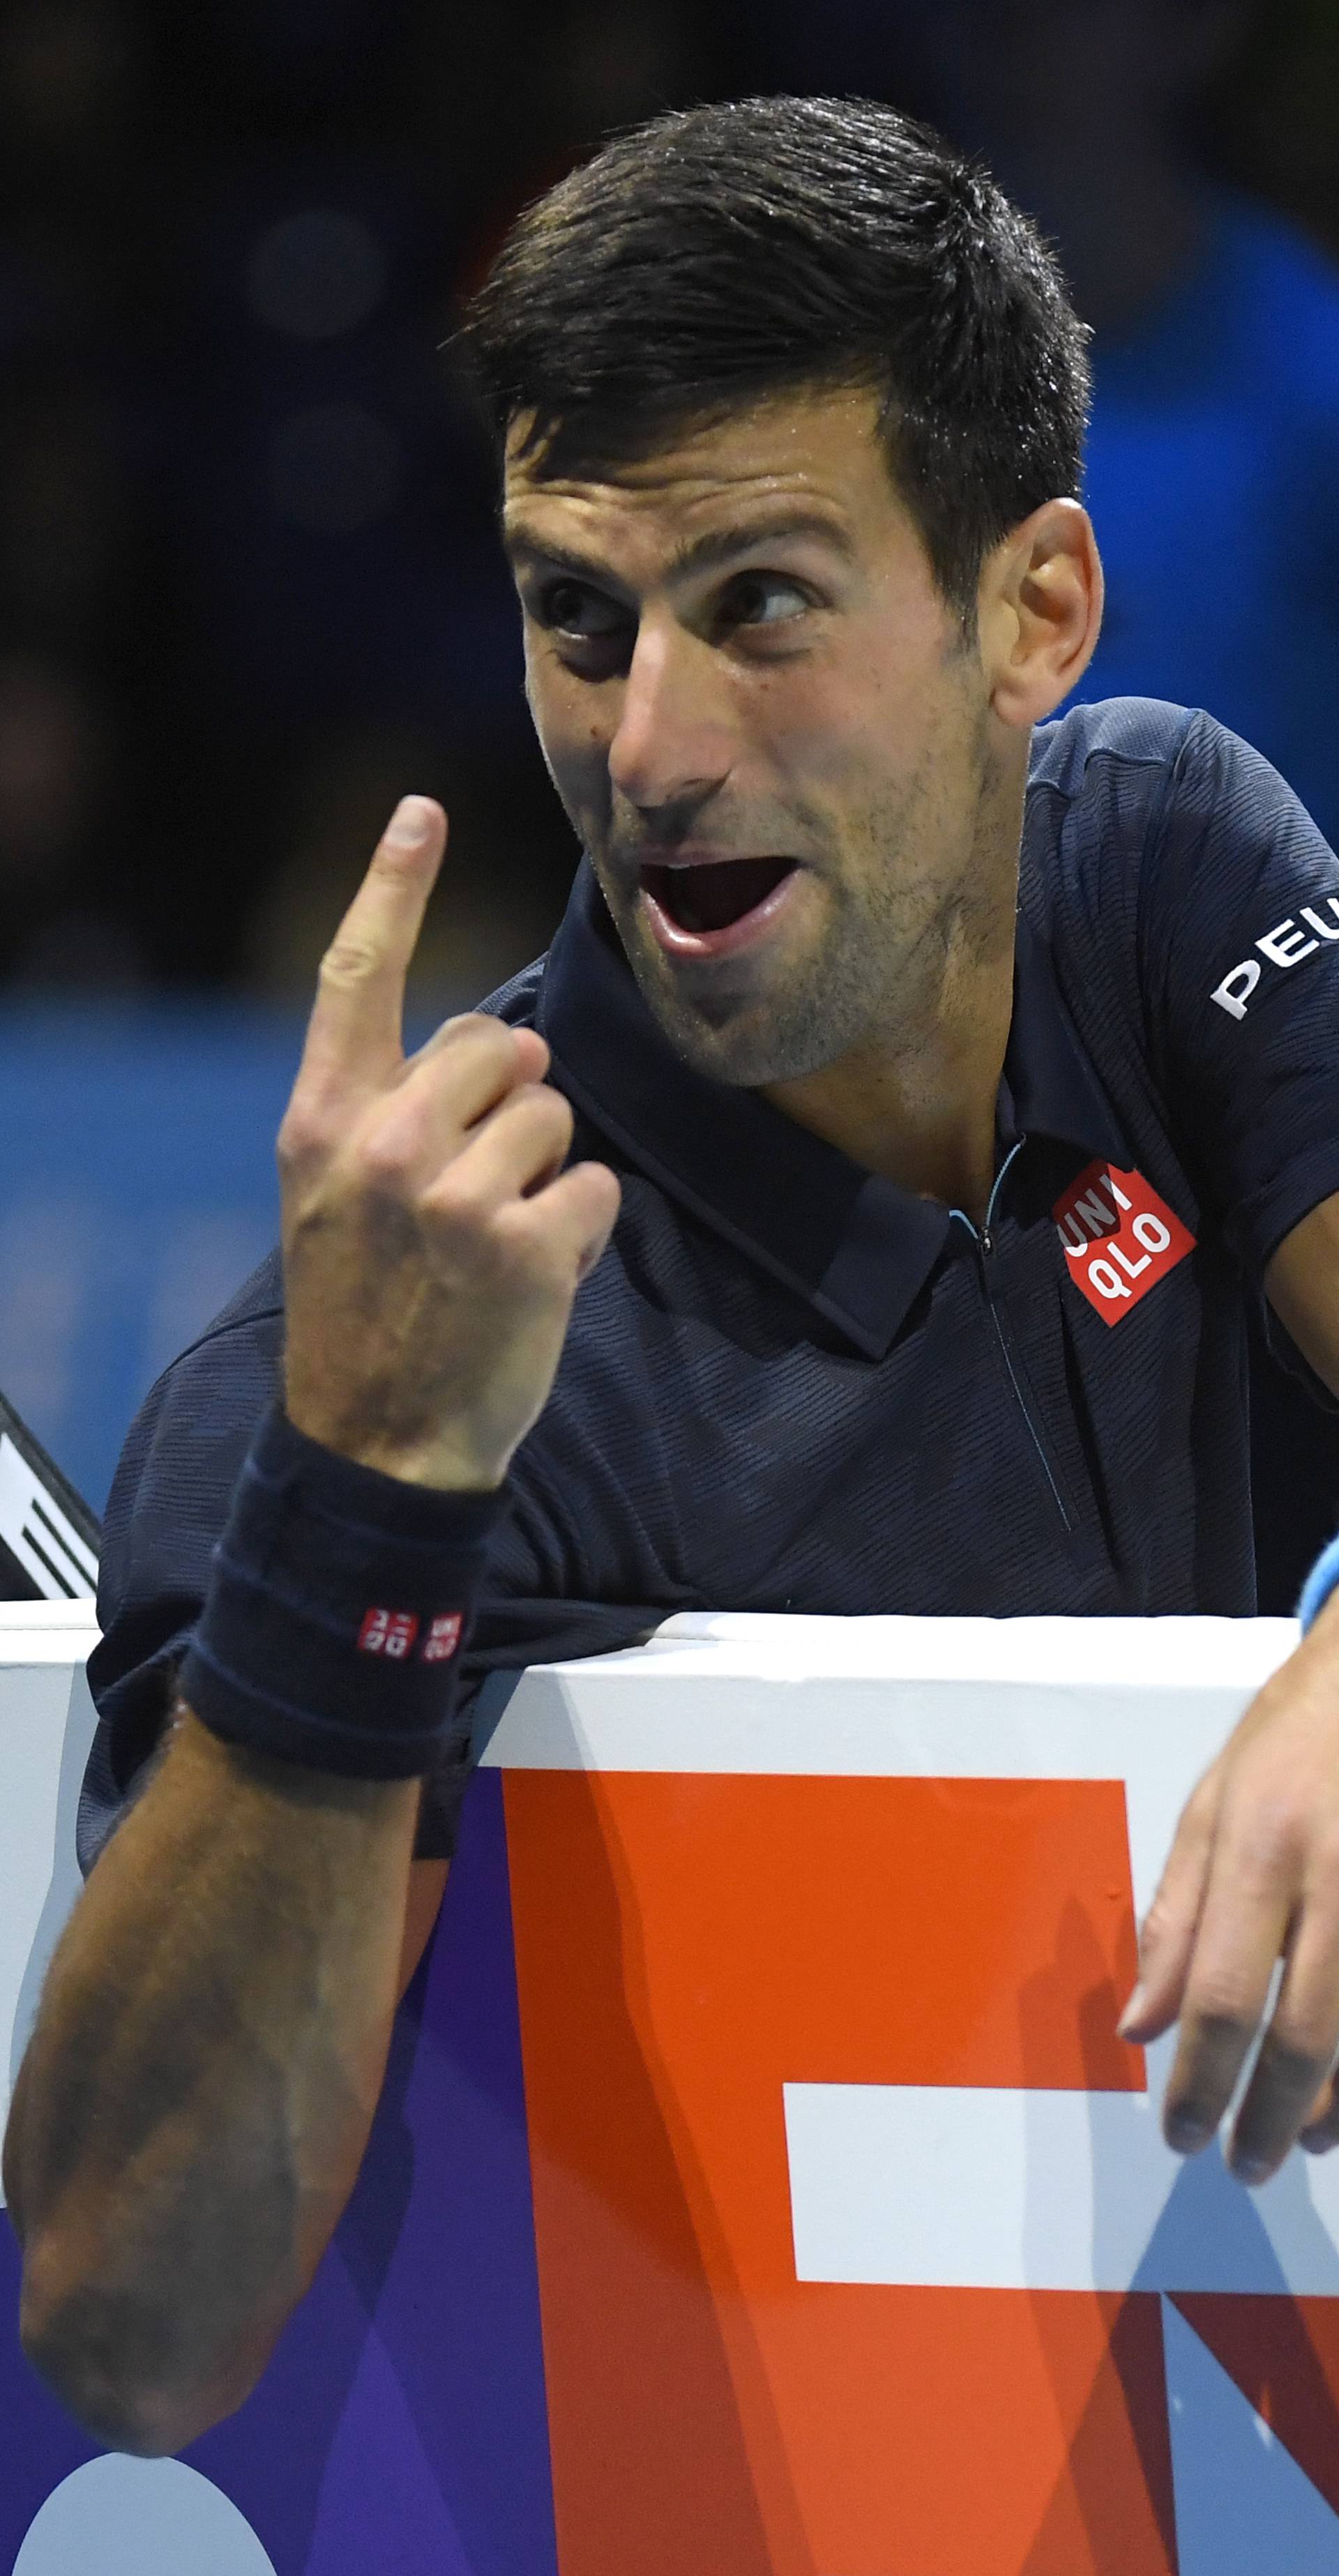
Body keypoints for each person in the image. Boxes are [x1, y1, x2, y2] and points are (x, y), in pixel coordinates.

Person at [8, 92, 1339, 2456]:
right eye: (578, 619)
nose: (649, 747)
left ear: (1035, 613)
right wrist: (373, 1486)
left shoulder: (1162, 865)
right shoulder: (397, 1368)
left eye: (762, 610)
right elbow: (126, 2326)